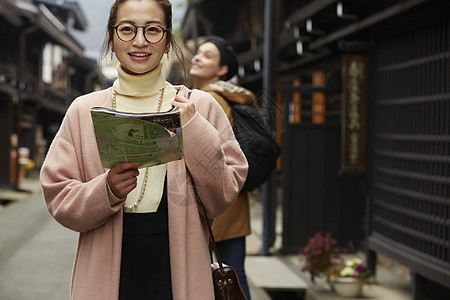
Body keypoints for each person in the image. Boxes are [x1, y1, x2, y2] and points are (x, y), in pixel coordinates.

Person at [39, 1, 248, 299]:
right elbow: (57, 194)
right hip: (107, 270)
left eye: (152, 30)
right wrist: (106, 190)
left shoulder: (198, 107)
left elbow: (223, 196)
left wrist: (193, 130)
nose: (139, 41)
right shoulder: (84, 110)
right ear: (111, 39)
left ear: (167, 42)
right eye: (127, 29)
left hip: (179, 268)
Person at [190, 35, 257, 300]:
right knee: (233, 275)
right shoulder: (234, 97)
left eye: (207, 56)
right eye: (198, 52)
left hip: (211, 200)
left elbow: (205, 153)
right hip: (235, 201)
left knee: (210, 277)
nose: (197, 57)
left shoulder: (208, 100)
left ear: (222, 70)